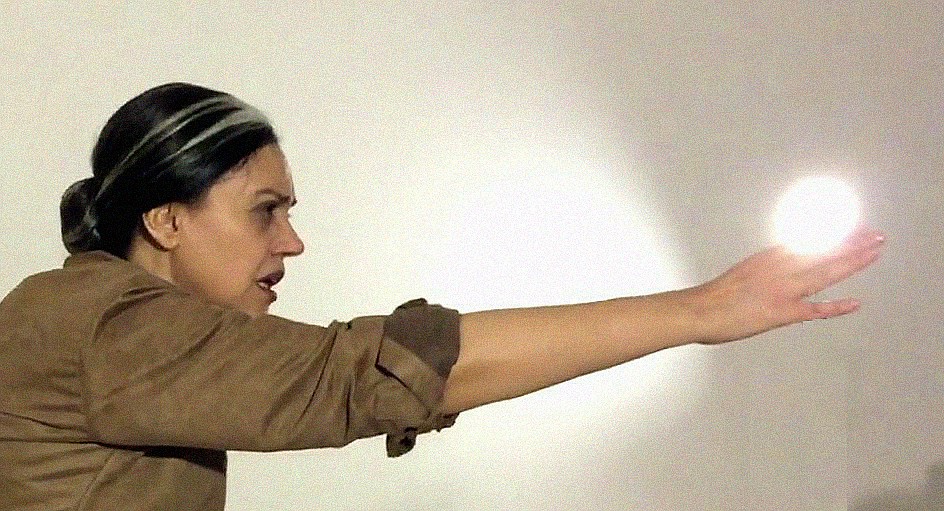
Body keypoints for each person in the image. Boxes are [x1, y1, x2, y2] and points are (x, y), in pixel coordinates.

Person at [0, 82, 885, 510]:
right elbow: (367, 374)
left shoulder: (107, 327)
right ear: (165, 218)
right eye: (265, 210)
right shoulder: (105, 326)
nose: (292, 241)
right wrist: (701, 310)